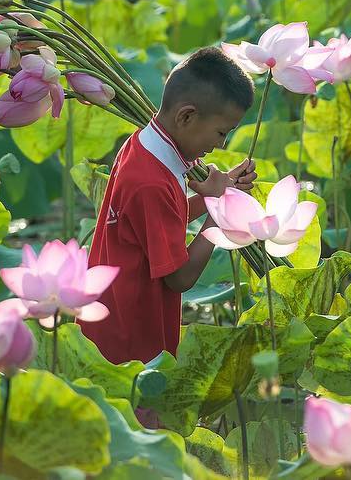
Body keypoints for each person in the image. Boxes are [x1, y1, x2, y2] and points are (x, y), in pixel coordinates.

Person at [81, 47, 257, 363]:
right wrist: (217, 211)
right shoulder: (150, 180)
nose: (221, 145)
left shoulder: (143, 147)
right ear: (186, 116)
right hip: (131, 346)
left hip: (111, 326)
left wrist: (216, 191)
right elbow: (179, 278)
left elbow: (158, 224)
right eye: (221, 132)